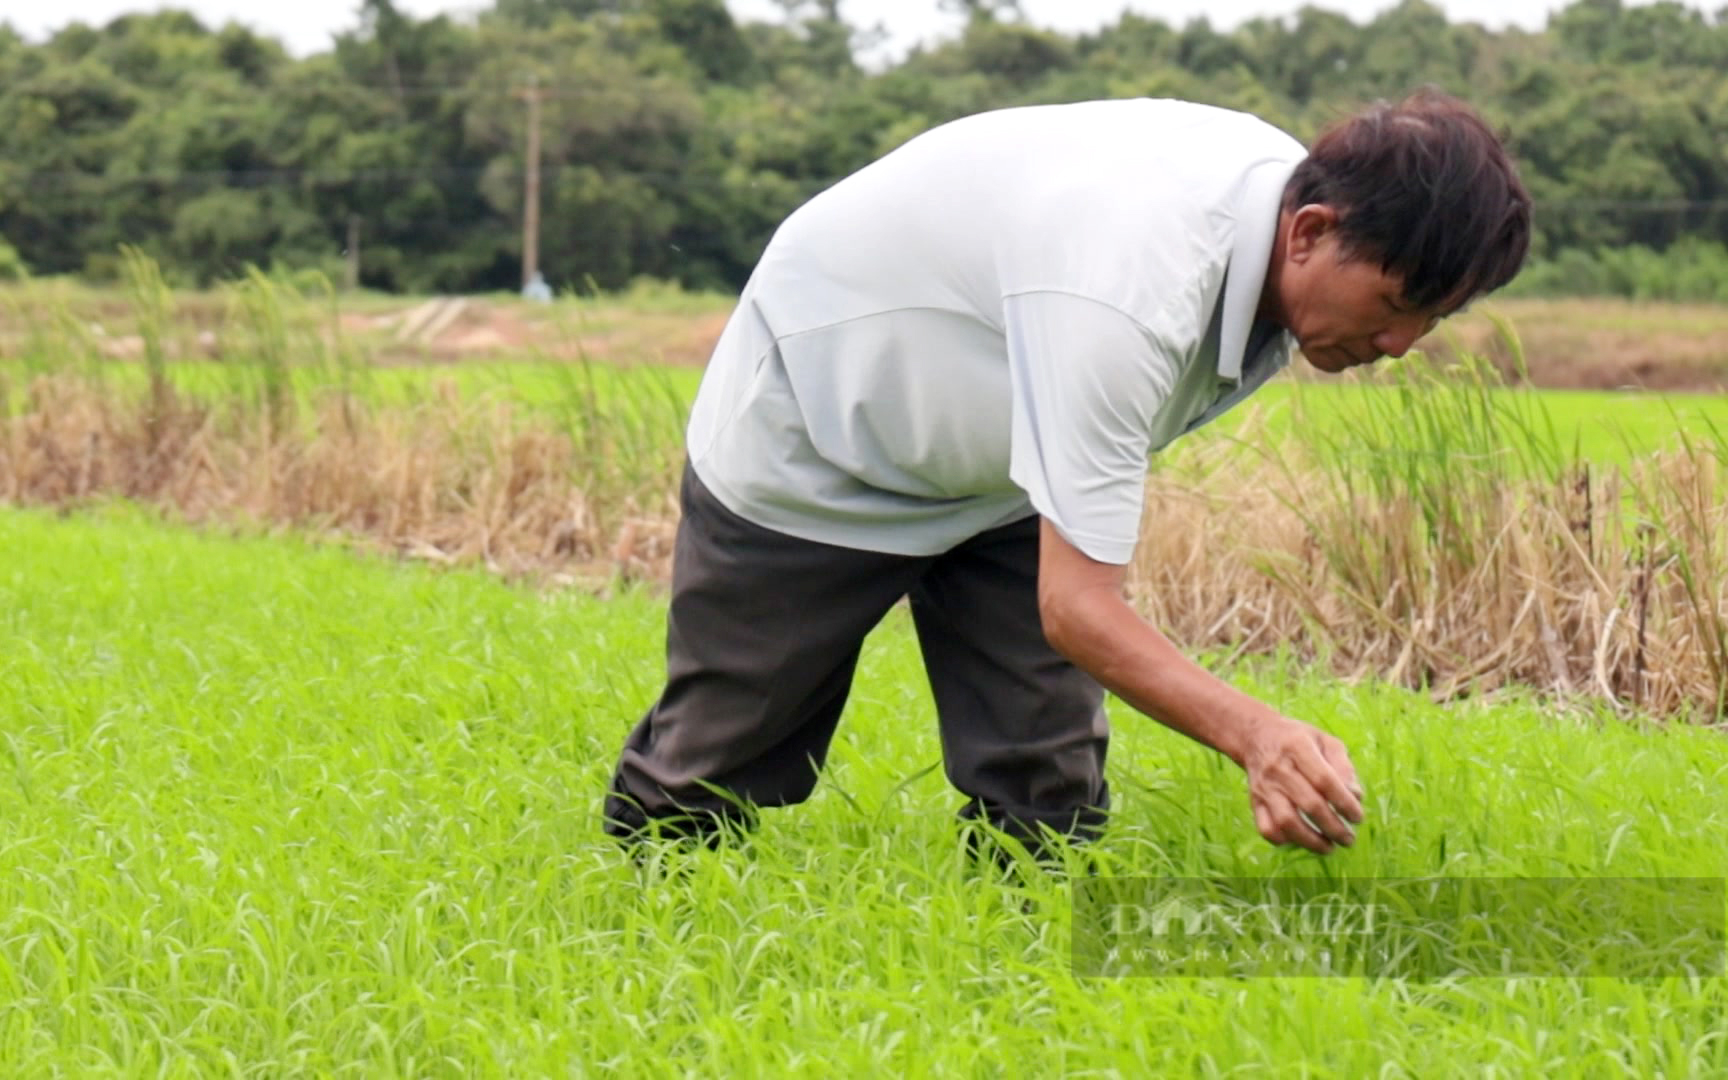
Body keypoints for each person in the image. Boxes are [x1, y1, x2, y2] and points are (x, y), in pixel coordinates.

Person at [603, 89, 1531, 860]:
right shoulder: (1129, 291)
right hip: (822, 434)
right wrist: (1259, 735)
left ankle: (1010, 983)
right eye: (1397, 304)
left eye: (1432, 321)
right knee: (712, 765)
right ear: (1311, 232)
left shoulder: (1278, 231)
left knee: (1046, 791)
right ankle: (636, 950)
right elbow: (1077, 607)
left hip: (1004, 459)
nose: (1402, 346)